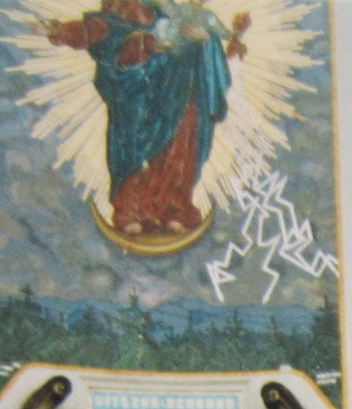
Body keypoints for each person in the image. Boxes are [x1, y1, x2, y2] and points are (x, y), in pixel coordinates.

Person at [46, 0, 251, 239]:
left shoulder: (191, 11)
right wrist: (59, 31)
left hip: (183, 83)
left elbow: (218, 42)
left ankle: (174, 208)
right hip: (141, 88)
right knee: (136, 146)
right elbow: (101, 29)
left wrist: (208, 39)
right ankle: (132, 211)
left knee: (181, 146)